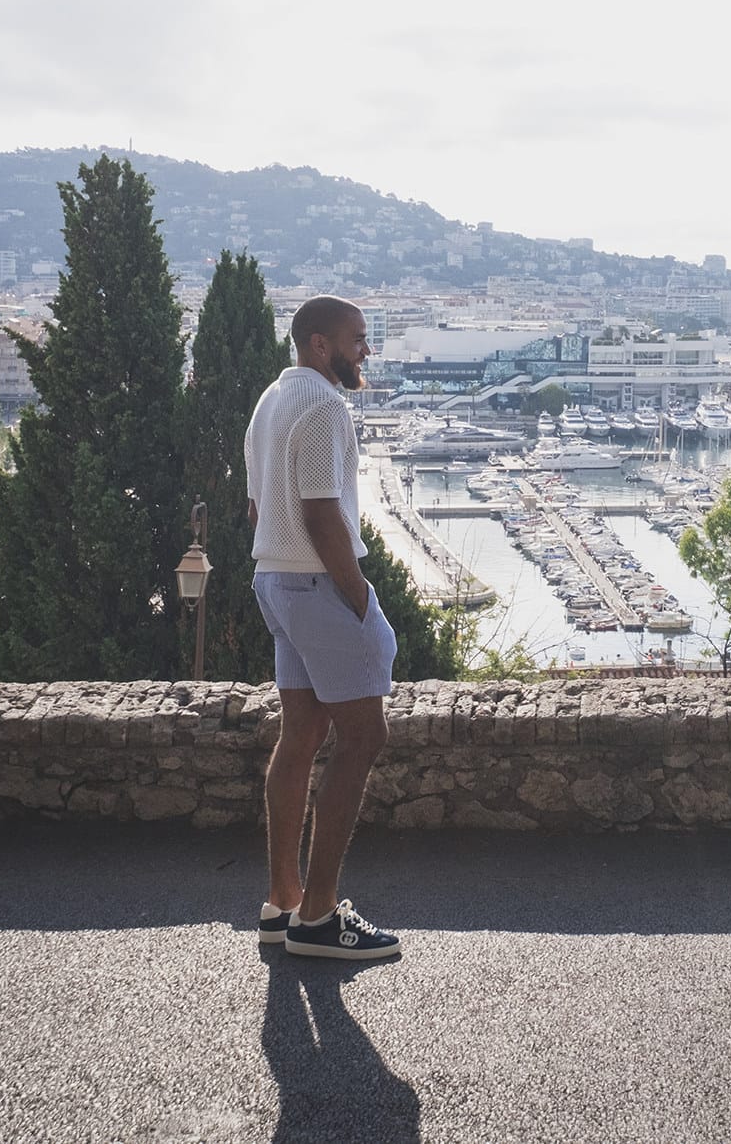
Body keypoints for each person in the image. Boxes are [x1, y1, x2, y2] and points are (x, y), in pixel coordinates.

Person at [246, 294, 401, 961]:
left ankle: (282, 902)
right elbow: (321, 513)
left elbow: (257, 508)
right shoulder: (325, 407)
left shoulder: (270, 401)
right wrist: (359, 598)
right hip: (316, 584)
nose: (365, 350)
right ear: (320, 344)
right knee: (365, 735)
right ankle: (318, 917)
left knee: (302, 735)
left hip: (274, 580)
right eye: (356, 339)